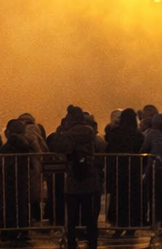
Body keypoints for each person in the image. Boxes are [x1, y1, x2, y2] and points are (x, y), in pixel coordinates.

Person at [51, 105, 105, 249]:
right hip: (90, 179)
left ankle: (72, 242)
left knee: (72, 216)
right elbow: (102, 147)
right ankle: (92, 242)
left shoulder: (67, 134)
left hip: (73, 180)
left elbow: (58, 147)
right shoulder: (91, 133)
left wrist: (60, 132)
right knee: (90, 216)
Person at [105, 108, 145, 231]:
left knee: (118, 197)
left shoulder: (115, 133)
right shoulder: (138, 135)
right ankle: (132, 225)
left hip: (118, 169)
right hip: (133, 170)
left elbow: (108, 148)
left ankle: (118, 224)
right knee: (132, 198)